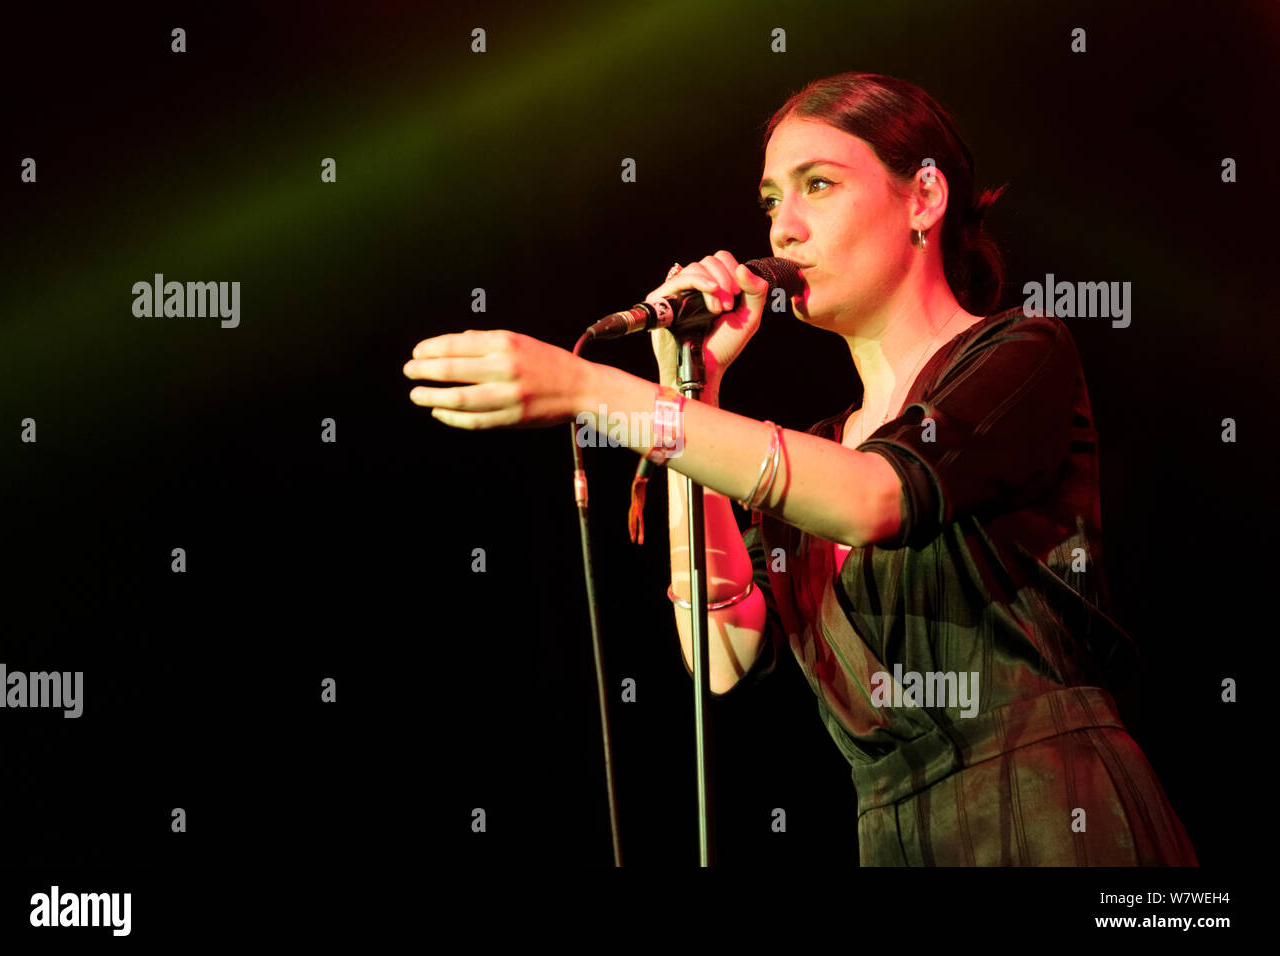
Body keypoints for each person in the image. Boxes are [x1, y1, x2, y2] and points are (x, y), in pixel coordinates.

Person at [402, 72, 1197, 866]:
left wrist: (598, 392)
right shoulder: (816, 448)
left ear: (924, 197)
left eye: (818, 184)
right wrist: (695, 388)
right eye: (772, 201)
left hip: (1053, 812)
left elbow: (879, 497)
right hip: (895, 835)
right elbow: (721, 658)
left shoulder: (1021, 351)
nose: (783, 228)